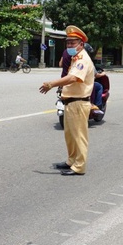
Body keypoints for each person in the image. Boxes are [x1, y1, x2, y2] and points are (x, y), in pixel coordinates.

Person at [39, 25, 95, 176]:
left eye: (73, 42)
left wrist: (51, 84)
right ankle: (71, 161)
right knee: (70, 135)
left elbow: (73, 77)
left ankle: (79, 166)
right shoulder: (75, 58)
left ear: (81, 44)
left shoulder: (82, 59)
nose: (70, 45)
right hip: (70, 102)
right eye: (68, 42)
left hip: (78, 102)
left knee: (78, 136)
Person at [60, 43, 104, 116]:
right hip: (78, 84)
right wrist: (103, 74)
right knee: (98, 86)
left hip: (64, 81)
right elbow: (95, 74)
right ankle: (94, 106)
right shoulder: (84, 59)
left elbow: (60, 64)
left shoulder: (66, 53)